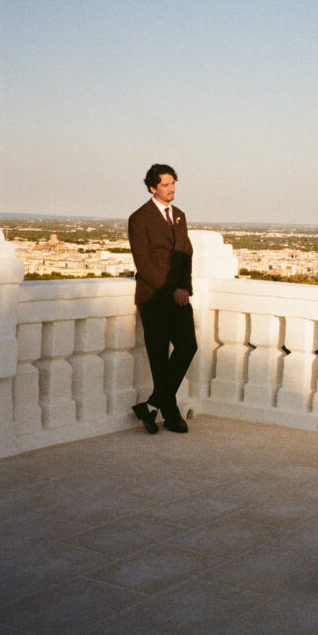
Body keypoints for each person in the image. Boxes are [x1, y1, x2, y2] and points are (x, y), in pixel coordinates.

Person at [128, 164, 197, 434]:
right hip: (154, 298)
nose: (172, 189)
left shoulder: (179, 216)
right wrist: (173, 290)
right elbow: (144, 264)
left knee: (188, 346)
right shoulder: (140, 218)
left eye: (173, 183)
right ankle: (171, 414)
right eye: (166, 184)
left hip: (179, 297)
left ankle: (152, 404)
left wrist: (186, 289)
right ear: (152, 187)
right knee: (159, 358)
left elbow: (186, 255)